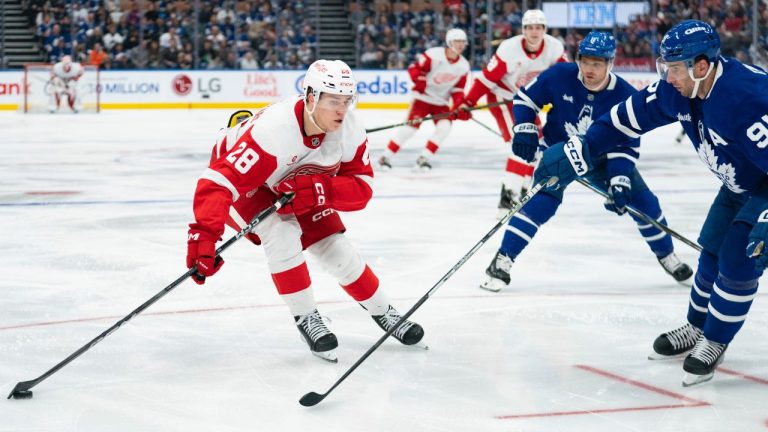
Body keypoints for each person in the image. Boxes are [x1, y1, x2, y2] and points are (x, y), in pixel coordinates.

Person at [533, 20, 768, 386]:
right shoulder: (679, 89)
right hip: (739, 182)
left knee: (739, 260)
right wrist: (584, 147)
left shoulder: (747, 98)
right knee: (711, 252)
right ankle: (696, 326)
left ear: (701, 66)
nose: (667, 76)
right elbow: (625, 118)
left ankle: (715, 340)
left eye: (674, 68)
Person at [185, 60, 425, 363]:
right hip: (252, 188)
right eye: (333, 101)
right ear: (311, 97)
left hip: (298, 179)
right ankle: (306, 317)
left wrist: (321, 190)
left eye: (347, 101)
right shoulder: (274, 131)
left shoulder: (349, 128)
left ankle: (384, 311)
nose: (342, 110)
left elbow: (362, 188)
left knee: (336, 248)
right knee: (281, 232)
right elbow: (217, 182)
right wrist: (204, 235)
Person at [479, 31, 693, 292]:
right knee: (542, 203)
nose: (589, 69)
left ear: (610, 63)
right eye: (585, 61)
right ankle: (503, 259)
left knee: (645, 203)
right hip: (560, 152)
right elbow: (525, 98)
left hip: (602, 158)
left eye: (597, 63)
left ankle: (667, 256)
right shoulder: (560, 75)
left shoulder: (624, 94)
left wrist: (619, 178)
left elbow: (626, 142)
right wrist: (524, 126)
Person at [457, 9, 568, 217]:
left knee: (538, 145)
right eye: (529, 28)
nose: (534, 32)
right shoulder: (509, 49)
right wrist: (468, 101)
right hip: (503, 97)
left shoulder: (554, 47)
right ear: (523, 30)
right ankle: (507, 197)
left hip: (526, 102)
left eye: (538, 28)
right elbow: (486, 79)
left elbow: (566, 76)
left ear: (544, 29)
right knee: (523, 143)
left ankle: (525, 188)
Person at [377, 28, 471, 171]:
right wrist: (419, 79)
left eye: (463, 42)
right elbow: (414, 69)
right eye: (457, 41)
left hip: (441, 102)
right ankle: (386, 156)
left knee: (444, 128)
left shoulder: (463, 65)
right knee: (409, 129)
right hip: (422, 98)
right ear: (449, 42)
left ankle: (424, 158)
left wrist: (458, 105)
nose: (461, 45)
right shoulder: (433, 55)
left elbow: (458, 89)